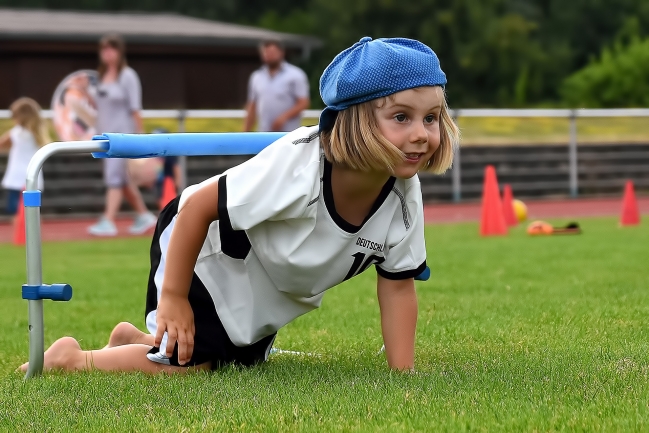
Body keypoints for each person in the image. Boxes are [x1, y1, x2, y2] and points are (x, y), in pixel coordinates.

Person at [20, 37, 460, 374]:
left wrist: (403, 376)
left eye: (431, 117)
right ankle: (73, 359)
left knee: (237, 362)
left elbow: (398, 285)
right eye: (401, 117)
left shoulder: (404, 197)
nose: (422, 133)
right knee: (197, 368)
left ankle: (134, 340)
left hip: (261, 282)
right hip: (202, 244)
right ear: (355, 119)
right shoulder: (301, 163)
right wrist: (173, 297)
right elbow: (197, 208)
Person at [87, 34, 157, 237]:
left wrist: (141, 136)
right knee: (122, 179)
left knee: (114, 178)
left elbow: (136, 108)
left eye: (112, 49)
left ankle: (108, 219)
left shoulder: (127, 76)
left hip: (123, 135)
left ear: (119, 52)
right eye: (104, 49)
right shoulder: (99, 79)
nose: (107, 53)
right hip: (104, 136)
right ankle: (144, 215)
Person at [244, 39, 310, 132]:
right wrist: (245, 131)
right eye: (266, 52)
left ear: (281, 53)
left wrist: (284, 117)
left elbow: (303, 103)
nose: (269, 55)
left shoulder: (296, 75)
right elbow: (252, 106)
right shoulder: (257, 77)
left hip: (288, 133)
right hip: (264, 132)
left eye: (272, 52)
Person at [0, 98, 48, 215]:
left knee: (15, 210)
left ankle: (20, 233)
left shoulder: (17, 133)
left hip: (17, 178)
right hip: (33, 177)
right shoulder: (38, 134)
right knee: (32, 210)